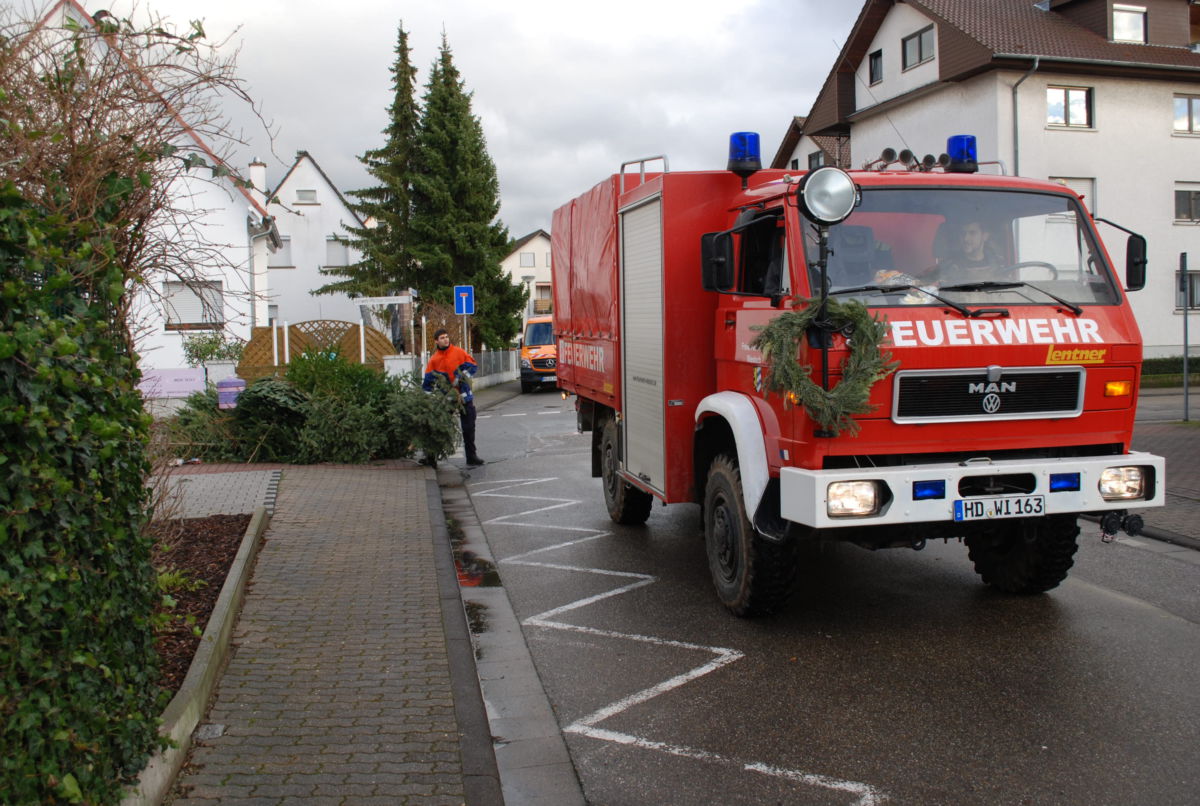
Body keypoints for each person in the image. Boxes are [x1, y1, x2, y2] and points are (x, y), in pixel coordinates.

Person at [422, 328, 483, 466]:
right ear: (436, 341)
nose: (446, 339)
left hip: (464, 397)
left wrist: (462, 378)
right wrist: (427, 398)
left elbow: (473, 366)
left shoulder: (458, 353)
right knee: (439, 427)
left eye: (447, 337)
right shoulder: (434, 360)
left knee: (468, 428)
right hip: (447, 399)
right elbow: (428, 382)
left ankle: (471, 457)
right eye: (442, 338)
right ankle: (431, 458)